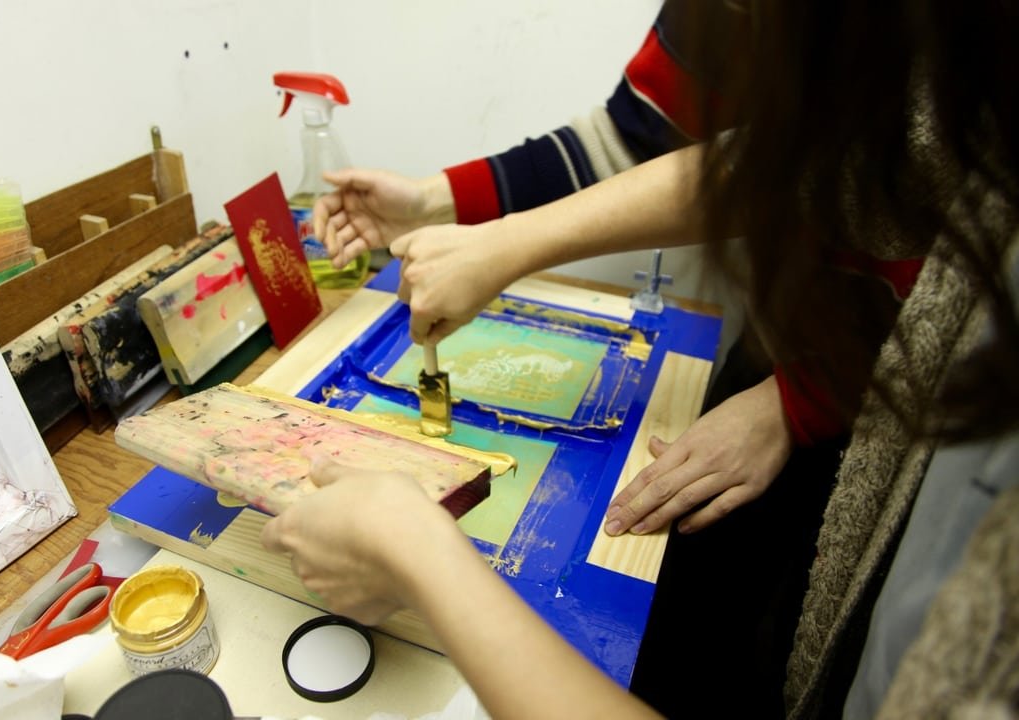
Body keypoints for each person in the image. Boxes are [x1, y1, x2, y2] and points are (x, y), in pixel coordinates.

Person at [262, 1, 1019, 718]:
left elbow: (852, 178)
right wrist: (447, 202)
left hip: (875, 397)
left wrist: (421, 554)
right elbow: (710, 148)